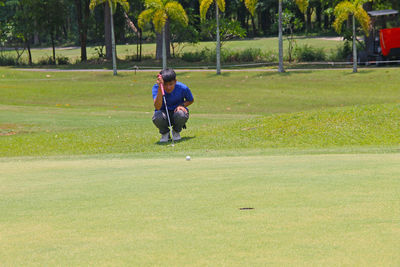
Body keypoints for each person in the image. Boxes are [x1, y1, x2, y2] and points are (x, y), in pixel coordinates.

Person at [152, 69, 194, 142]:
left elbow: (190, 100)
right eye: (165, 84)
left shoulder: (183, 88)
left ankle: (176, 132)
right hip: (163, 114)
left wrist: (181, 105)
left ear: (175, 81)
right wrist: (160, 89)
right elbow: (157, 107)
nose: (168, 87)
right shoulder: (156, 88)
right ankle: (165, 133)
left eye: (171, 84)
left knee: (181, 114)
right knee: (157, 116)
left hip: (176, 113)